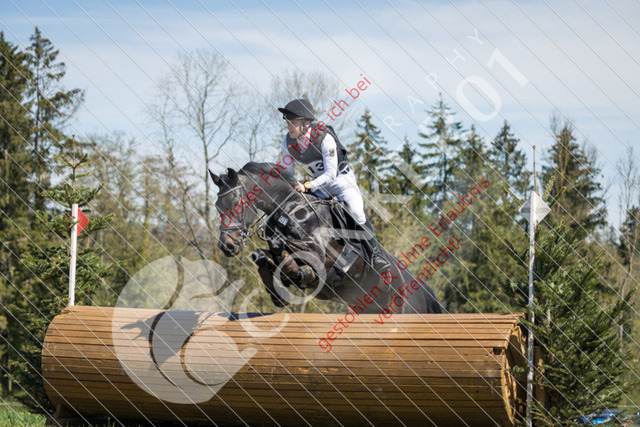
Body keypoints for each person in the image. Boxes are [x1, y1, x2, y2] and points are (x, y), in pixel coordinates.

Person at [277, 98, 390, 273]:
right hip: (318, 185)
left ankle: (376, 255)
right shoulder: (287, 143)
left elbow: (331, 175)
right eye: (288, 123)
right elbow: (287, 174)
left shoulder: (324, 138)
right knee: (305, 211)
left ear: (307, 123)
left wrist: (307, 186)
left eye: (294, 123)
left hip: (341, 181)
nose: (289, 127)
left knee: (357, 212)